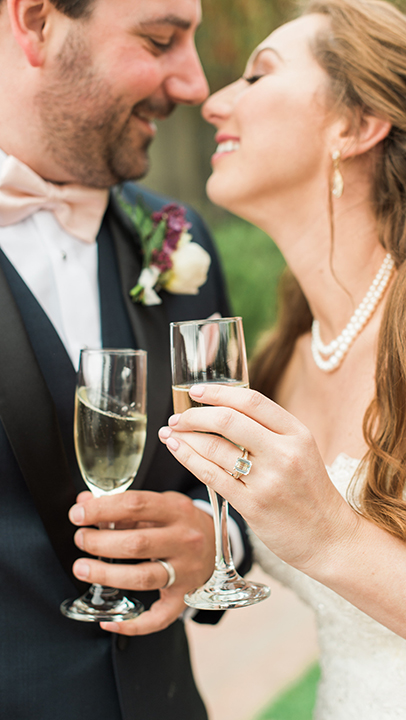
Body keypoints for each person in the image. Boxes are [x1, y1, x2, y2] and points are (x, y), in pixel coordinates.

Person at [158, 0, 406, 717]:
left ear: (357, 126)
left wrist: (333, 538)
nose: (212, 102)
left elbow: (331, 543)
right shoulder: (283, 358)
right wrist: (211, 550)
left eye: (256, 75)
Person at [0, 0, 252, 718]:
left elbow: (233, 477)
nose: (195, 84)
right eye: (161, 40)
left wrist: (215, 539)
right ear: (37, 21)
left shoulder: (178, 240)